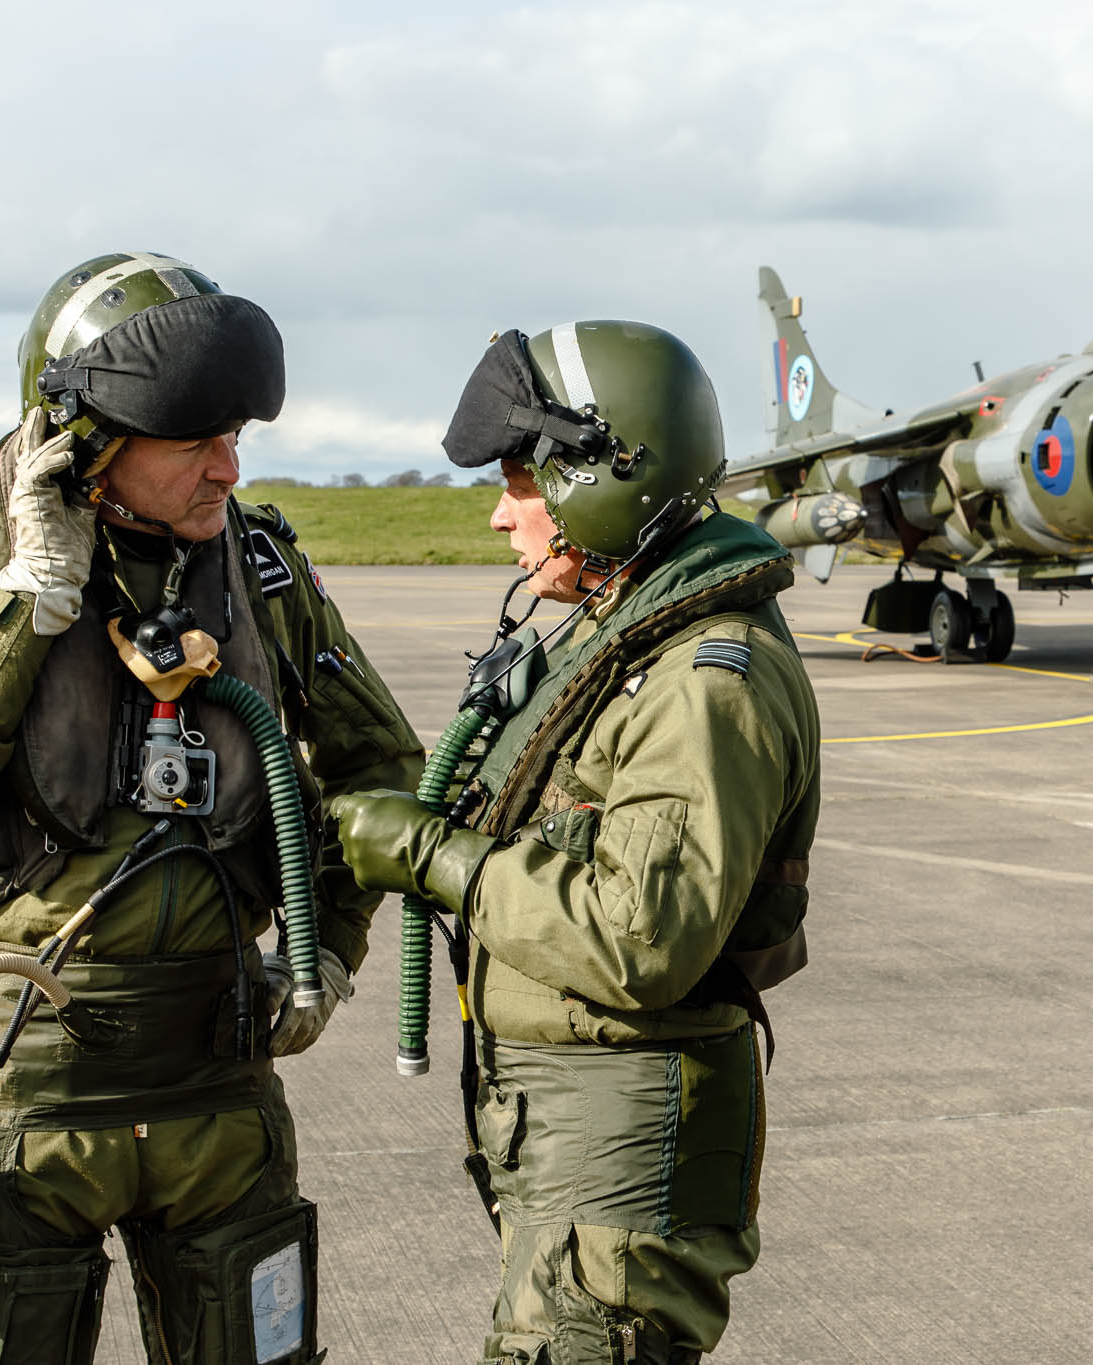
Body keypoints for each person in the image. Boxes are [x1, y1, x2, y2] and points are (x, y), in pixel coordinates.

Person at [0, 252, 423, 1363]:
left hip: (218, 1071)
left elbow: (380, 768)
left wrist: (327, 947)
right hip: (23, 1072)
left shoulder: (258, 567)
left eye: (237, 434)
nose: (226, 466)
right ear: (87, 439)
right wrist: (26, 602)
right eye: (195, 438)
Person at [330, 321, 821, 1364]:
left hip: (622, 1164)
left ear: (606, 476)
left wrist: (428, 858)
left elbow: (638, 937)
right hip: (574, 1148)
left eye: (523, 482)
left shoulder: (699, 681)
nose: (503, 515)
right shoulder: (622, 630)